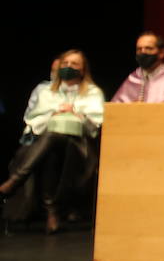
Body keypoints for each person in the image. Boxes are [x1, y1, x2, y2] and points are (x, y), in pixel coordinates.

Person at [2, 49, 104, 233]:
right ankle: (52, 212)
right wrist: (53, 114)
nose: (68, 67)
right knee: (52, 148)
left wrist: (76, 113)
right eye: (65, 63)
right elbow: (32, 121)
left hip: (78, 147)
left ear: (82, 70)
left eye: (74, 64)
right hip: (48, 144)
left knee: (54, 140)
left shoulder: (92, 92)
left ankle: (16, 179)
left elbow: (96, 125)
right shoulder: (45, 91)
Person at [112, 31, 164, 103]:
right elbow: (114, 110)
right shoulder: (133, 78)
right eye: (139, 49)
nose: (143, 52)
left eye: (148, 48)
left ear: (161, 53)